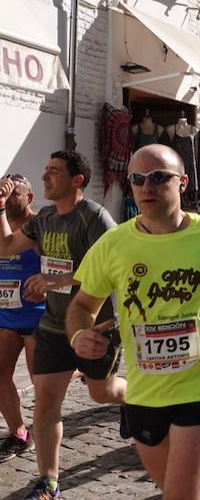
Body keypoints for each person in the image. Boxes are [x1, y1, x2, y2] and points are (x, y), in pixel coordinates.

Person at [67, 144, 200, 500]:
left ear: (183, 183)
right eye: (138, 179)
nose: (147, 187)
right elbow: (82, 305)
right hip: (143, 393)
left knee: (179, 495)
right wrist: (79, 335)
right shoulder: (114, 244)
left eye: (159, 177)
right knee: (189, 488)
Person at [0, 151, 125, 500]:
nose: (45, 177)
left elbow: (116, 270)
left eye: (53, 171)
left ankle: (131, 398)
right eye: (45, 170)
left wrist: (55, 280)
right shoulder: (46, 218)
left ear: (76, 180)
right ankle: (49, 482)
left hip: (95, 328)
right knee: (46, 402)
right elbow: (7, 246)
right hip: (53, 327)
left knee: (102, 392)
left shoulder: (95, 218)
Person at [0, 174, 41, 462]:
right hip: (7, 316)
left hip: (39, 318)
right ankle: (19, 433)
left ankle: (85, 371)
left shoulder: (39, 225)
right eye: (4, 190)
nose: (7, 195)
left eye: (15, 191)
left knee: (44, 382)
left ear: (29, 198)